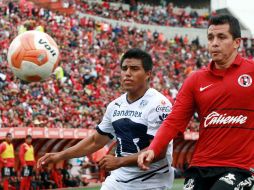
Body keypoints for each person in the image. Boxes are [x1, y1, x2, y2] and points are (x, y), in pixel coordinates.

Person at [138, 14, 254, 190]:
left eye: (221, 37)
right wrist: (153, 148)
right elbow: (174, 120)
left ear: (237, 42)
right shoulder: (195, 80)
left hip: (240, 167)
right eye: (210, 37)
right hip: (201, 165)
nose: (214, 43)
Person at [37, 48, 174, 190]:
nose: (127, 73)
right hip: (118, 180)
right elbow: (95, 141)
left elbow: (158, 151)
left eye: (134, 69)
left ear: (148, 74)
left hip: (151, 181)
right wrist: (60, 155)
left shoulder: (159, 104)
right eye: (124, 68)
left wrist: (119, 161)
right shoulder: (115, 106)